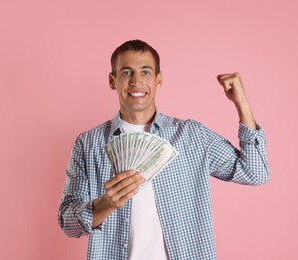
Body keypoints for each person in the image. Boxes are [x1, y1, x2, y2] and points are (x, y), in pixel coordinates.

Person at [58, 39, 270, 260]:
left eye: (146, 72)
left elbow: (255, 172)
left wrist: (242, 103)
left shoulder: (191, 136)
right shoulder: (88, 143)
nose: (136, 81)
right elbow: (67, 223)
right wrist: (104, 205)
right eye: (126, 73)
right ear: (113, 81)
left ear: (159, 80)